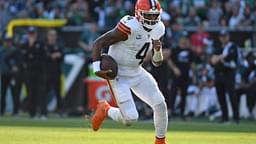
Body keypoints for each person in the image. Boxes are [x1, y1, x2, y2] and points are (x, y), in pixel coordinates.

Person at [91, 0, 168, 144]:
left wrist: (158, 50)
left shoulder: (159, 29)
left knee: (160, 104)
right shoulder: (129, 26)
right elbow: (98, 43)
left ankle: (160, 141)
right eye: (148, 16)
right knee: (130, 119)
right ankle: (105, 109)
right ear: (138, 13)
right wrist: (96, 69)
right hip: (119, 74)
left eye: (154, 16)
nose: (152, 20)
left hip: (137, 71)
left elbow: (157, 63)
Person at [210, 30, 240, 124]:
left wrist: (219, 57)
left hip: (229, 74)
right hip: (218, 74)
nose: (223, 38)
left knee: (232, 96)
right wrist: (221, 57)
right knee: (221, 97)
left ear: (228, 37)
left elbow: (231, 56)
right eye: (222, 36)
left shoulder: (232, 46)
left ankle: (236, 118)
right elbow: (213, 61)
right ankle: (225, 117)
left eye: (225, 36)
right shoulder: (218, 48)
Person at [21, 27, 48, 119]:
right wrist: (32, 50)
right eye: (30, 33)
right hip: (29, 72)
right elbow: (24, 57)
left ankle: (43, 113)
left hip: (40, 71)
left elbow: (42, 56)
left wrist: (32, 54)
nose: (31, 35)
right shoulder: (25, 44)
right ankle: (32, 113)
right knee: (31, 92)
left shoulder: (40, 44)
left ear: (36, 34)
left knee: (41, 92)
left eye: (33, 33)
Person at [167, 36, 195, 119]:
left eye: (185, 39)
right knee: (173, 94)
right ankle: (170, 111)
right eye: (183, 39)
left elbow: (192, 64)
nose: (184, 40)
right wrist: (174, 68)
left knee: (184, 95)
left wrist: (193, 74)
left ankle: (182, 113)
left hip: (185, 76)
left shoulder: (190, 51)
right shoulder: (175, 50)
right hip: (175, 76)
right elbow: (169, 60)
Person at [0, 35, 23, 116]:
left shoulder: (14, 51)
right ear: (3, 42)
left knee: (15, 93)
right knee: (3, 93)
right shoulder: (1, 50)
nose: (7, 43)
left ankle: (15, 111)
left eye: (9, 41)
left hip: (13, 75)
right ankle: (2, 110)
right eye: (6, 41)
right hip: (3, 74)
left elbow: (19, 62)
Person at [45, 29, 64, 114]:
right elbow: (44, 56)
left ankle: (59, 110)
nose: (52, 37)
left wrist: (54, 55)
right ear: (47, 36)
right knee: (44, 91)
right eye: (51, 35)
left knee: (58, 92)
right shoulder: (45, 46)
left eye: (54, 35)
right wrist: (53, 55)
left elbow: (62, 57)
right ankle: (42, 110)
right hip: (46, 73)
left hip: (56, 72)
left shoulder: (59, 46)